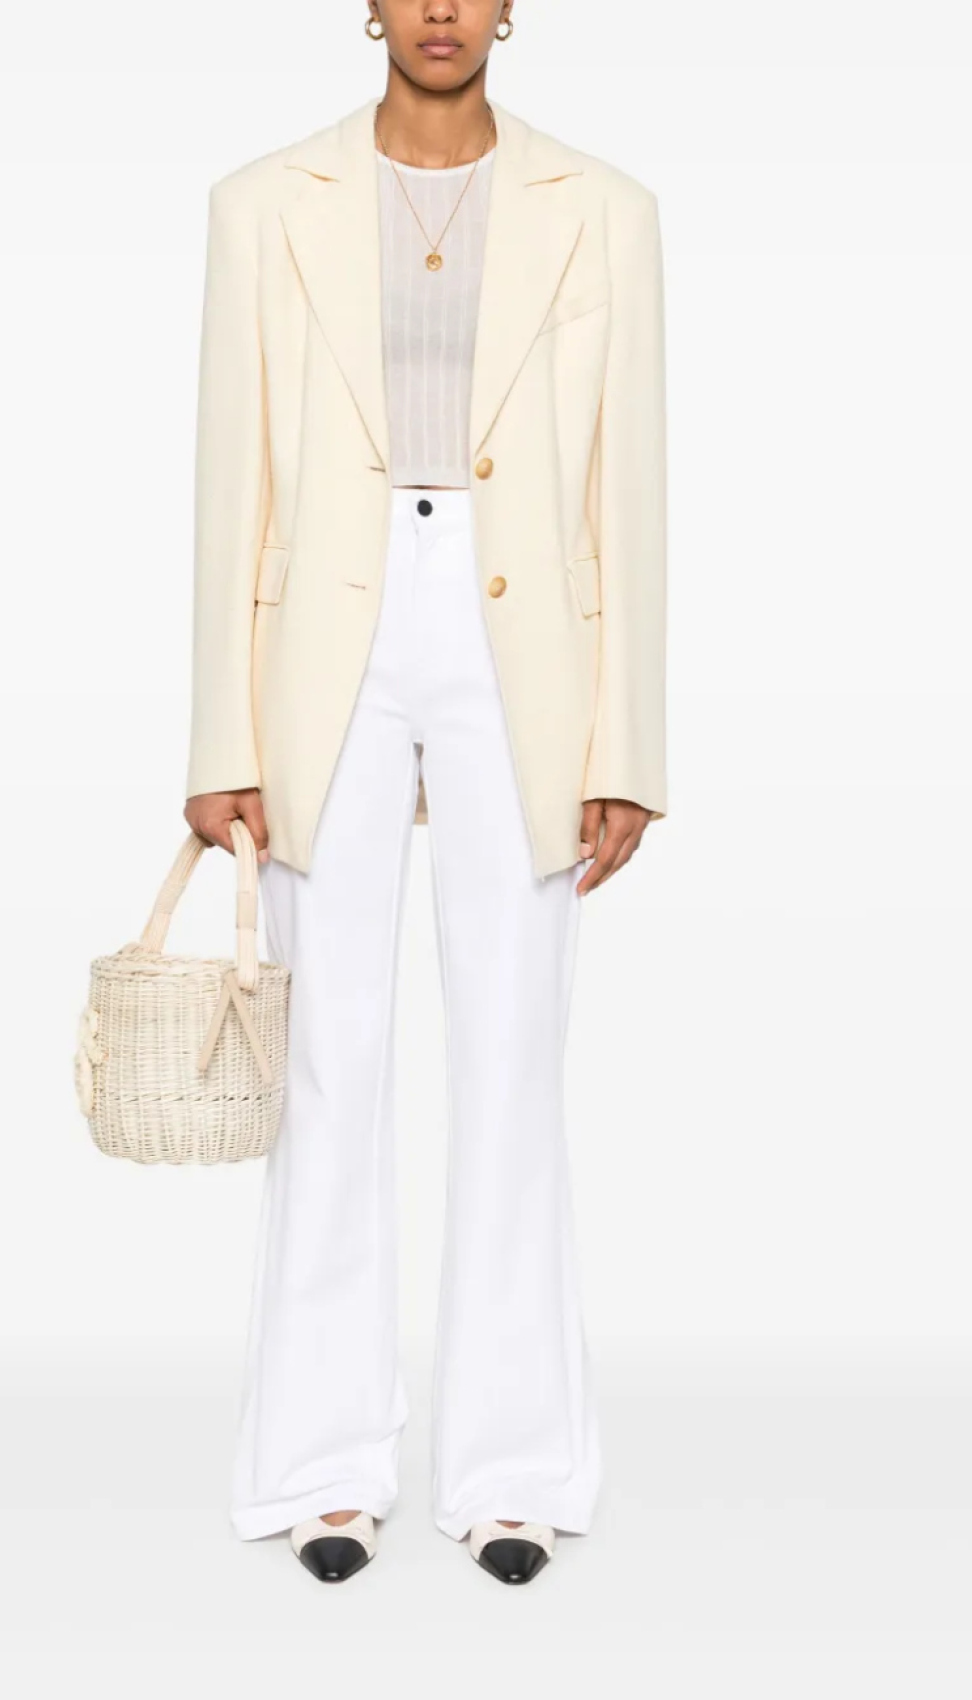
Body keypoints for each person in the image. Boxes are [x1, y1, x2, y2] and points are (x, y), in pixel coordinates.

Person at [183, 0, 666, 1586]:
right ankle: (322, 1469)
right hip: (325, 635)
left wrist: (626, 747)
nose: (443, 9)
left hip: (525, 643)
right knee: (328, 1055)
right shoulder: (264, 202)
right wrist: (221, 739)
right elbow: (231, 477)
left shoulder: (605, 208)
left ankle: (514, 1471)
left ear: (512, 7)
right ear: (371, 7)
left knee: (514, 1052)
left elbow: (630, 488)